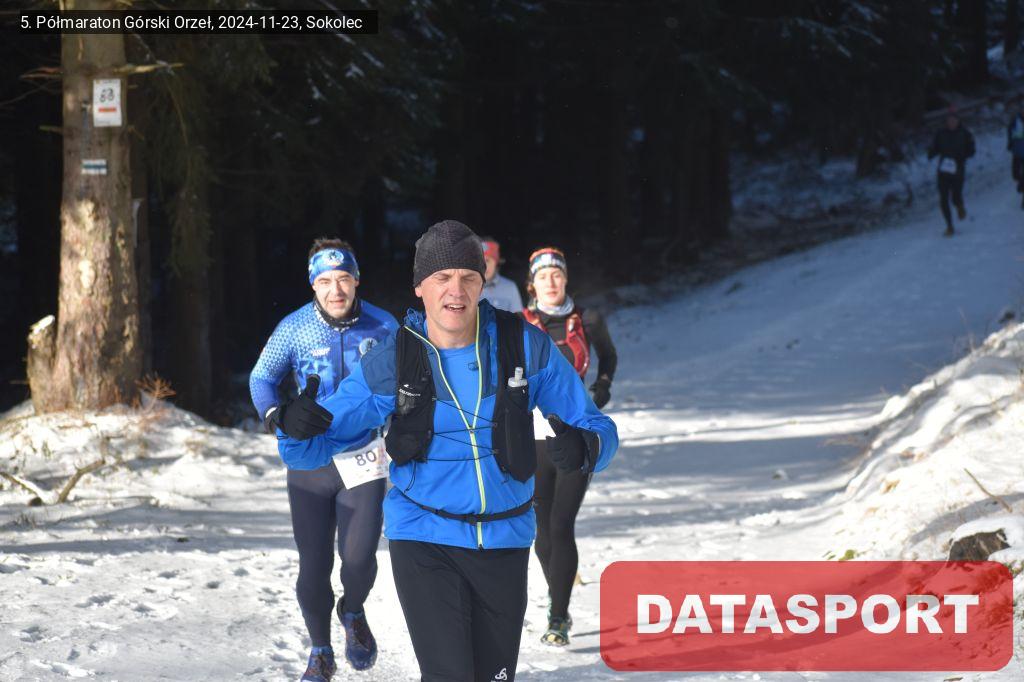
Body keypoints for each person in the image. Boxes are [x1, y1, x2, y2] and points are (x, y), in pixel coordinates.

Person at [278, 220, 618, 682]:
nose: (455, 290)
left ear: (483, 283)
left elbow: (597, 427)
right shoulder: (395, 357)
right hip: (424, 536)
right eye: (442, 277)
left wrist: (587, 446)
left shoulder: (523, 345)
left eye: (467, 277)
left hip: (505, 538)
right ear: (420, 286)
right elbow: (310, 449)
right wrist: (294, 428)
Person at [249, 238, 399, 681]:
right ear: (313, 284)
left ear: (357, 280)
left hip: (364, 456)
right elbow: (261, 378)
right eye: (326, 281)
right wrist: (277, 415)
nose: (336, 290)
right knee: (314, 564)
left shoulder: (383, 326)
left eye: (344, 279)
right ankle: (320, 650)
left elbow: (409, 381)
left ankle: (352, 610)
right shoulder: (294, 328)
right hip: (310, 462)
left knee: (359, 559)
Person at [520, 246, 617, 646]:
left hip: (576, 430)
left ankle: (558, 615)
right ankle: (556, 590)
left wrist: (602, 386)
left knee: (562, 524)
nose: (551, 282)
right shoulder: (519, 324)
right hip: (533, 434)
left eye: (557, 275)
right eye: (543, 276)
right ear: (532, 284)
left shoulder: (586, 318)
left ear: (565, 278)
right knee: (542, 530)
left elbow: (608, 356)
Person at [927, 106, 975, 236]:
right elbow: (935, 147)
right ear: (946, 121)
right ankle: (949, 226)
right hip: (943, 170)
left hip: (958, 170)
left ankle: (959, 206)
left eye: (954, 120)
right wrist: (931, 153)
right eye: (949, 120)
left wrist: (963, 156)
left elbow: (972, 150)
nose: (951, 123)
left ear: (958, 121)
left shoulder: (965, 133)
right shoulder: (940, 133)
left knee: (955, 196)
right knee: (943, 199)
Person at [479, 236, 525, 313]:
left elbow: (518, 318)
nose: (484, 266)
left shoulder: (509, 287)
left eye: (487, 261)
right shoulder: (465, 287)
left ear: (496, 262)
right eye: (479, 261)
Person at [1007, 99, 1024, 206]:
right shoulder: (1015, 121)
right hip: (1018, 151)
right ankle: (1021, 183)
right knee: (1016, 174)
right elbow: (1010, 132)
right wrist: (1010, 143)